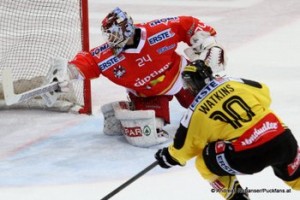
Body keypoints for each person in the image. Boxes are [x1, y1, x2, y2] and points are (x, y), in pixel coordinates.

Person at [60, 7, 227, 147]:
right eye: (108, 36)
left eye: (114, 35)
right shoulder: (106, 55)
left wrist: (209, 43)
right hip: (146, 94)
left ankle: (128, 112)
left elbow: (188, 24)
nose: (111, 40)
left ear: (126, 30)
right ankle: (129, 109)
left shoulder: (158, 31)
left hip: (179, 78)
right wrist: (68, 72)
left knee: (213, 109)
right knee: (149, 136)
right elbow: (88, 60)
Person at [154, 60, 300, 199]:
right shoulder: (233, 82)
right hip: (283, 141)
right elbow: (265, 94)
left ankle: (237, 197)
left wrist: (169, 156)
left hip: (249, 157)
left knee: (204, 161)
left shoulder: (195, 111)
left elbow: (183, 149)